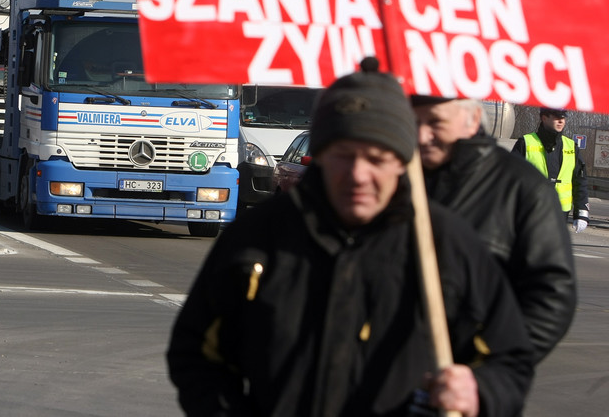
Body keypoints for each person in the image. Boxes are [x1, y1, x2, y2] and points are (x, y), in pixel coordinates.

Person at [167, 60, 534, 417]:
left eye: (376, 157)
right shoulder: (259, 237)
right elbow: (196, 355)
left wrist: (481, 391)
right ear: (321, 156)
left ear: (401, 161)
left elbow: (509, 361)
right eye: (344, 155)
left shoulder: (447, 246)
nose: (359, 174)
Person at [412, 97, 576, 365]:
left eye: (435, 122)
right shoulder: (388, 178)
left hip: (466, 377)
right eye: (414, 121)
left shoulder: (523, 190)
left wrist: (493, 369)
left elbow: (551, 299)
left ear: (473, 119)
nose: (421, 134)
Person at [511, 107, 590, 233]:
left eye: (563, 117)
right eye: (557, 117)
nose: (561, 121)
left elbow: (580, 181)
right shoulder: (525, 143)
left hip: (560, 213)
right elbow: (511, 178)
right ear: (544, 118)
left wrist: (581, 212)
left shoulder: (571, 146)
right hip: (531, 209)